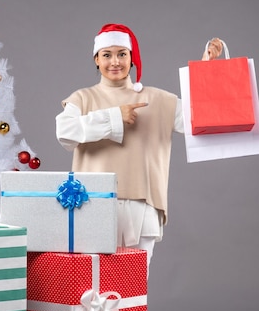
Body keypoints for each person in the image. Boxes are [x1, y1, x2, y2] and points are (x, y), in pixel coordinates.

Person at [56, 23, 222, 272]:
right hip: (91, 204)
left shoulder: (156, 99)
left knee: (132, 289)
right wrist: (114, 117)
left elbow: (199, 119)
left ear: (132, 58)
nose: (115, 61)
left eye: (122, 54)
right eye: (107, 55)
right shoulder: (82, 98)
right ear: (96, 60)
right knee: (89, 286)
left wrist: (206, 71)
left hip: (142, 206)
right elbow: (65, 133)